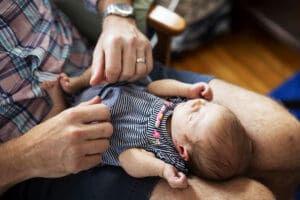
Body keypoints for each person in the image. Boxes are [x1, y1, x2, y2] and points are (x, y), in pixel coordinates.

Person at [0, 0, 298, 199]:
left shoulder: (167, 134)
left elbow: (156, 90)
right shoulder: (162, 144)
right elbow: (128, 157)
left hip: (102, 72)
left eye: (198, 111)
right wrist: (27, 154)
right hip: (41, 158)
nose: (195, 105)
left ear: (182, 150)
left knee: (289, 141)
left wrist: (117, 16)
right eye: (198, 105)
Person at [41, 72, 252, 188]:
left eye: (195, 115)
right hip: (109, 89)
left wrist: (160, 170)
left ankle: (58, 105)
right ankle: (77, 82)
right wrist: (186, 89)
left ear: (182, 150)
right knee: (106, 71)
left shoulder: (166, 155)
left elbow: (127, 157)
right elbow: (154, 88)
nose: (196, 105)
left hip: (86, 125)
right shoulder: (178, 106)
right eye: (206, 105)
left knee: (48, 132)